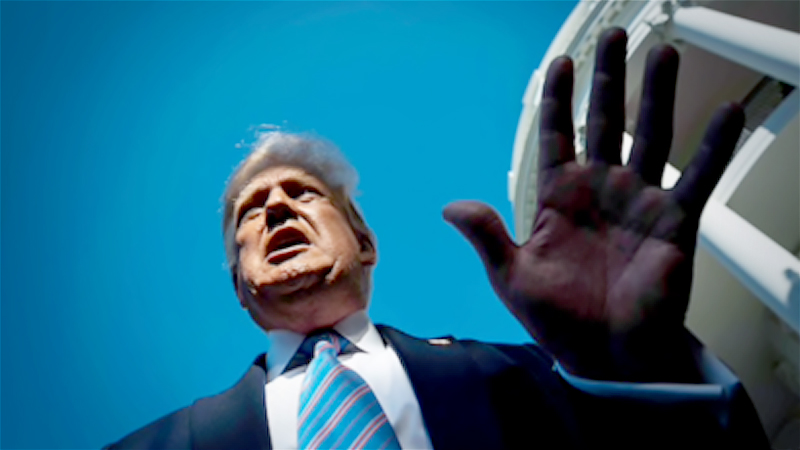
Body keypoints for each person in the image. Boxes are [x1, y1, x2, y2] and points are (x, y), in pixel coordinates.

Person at [105, 28, 770, 449]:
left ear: (364, 241)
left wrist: (637, 362)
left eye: (301, 194)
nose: (277, 210)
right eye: (253, 211)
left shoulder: (530, 380)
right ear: (239, 287)